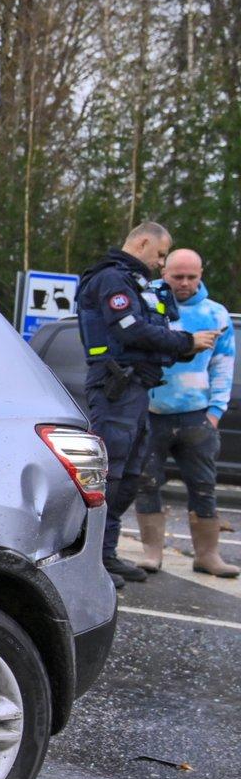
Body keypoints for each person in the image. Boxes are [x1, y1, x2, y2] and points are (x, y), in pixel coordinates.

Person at [74, 221, 218, 587]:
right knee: (110, 472)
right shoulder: (112, 279)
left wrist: (182, 347)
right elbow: (131, 331)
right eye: (159, 254)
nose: (160, 262)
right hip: (115, 389)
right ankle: (89, 560)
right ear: (141, 243)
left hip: (136, 389)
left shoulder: (134, 281)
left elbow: (149, 336)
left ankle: (105, 554)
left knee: (131, 474)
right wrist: (185, 342)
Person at [130, 247, 237, 577]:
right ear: (165, 274)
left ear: (201, 275)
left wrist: (216, 411)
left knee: (203, 485)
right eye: (178, 276)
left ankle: (208, 555)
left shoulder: (216, 314)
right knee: (147, 482)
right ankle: (152, 552)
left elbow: (223, 366)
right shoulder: (148, 306)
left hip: (197, 416)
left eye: (192, 277)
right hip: (151, 412)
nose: (185, 283)